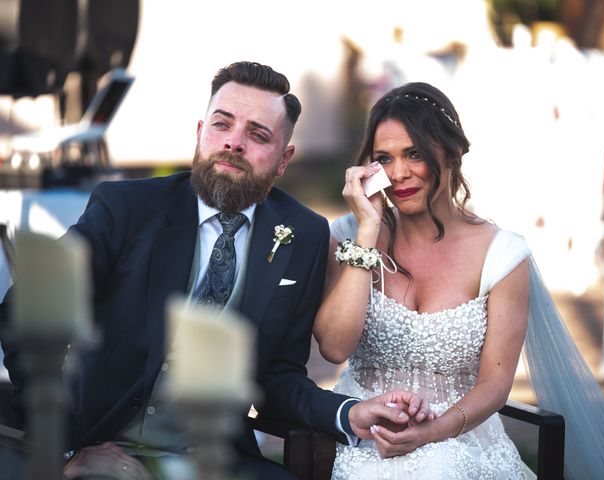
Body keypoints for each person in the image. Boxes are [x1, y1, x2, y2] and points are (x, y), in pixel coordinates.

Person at [0, 62, 429, 480]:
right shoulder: (127, 209)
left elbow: (279, 378)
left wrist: (347, 412)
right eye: (222, 125)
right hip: (106, 448)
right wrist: (67, 452)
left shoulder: (304, 233)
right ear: (201, 133)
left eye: (258, 134)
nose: (234, 142)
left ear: (284, 159)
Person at [313, 81, 604, 479]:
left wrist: (432, 432)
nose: (398, 174)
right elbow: (333, 347)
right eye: (384, 158)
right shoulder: (347, 235)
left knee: (442, 469)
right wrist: (367, 232)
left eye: (414, 154)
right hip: (362, 429)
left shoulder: (502, 255)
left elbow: (494, 384)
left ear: (452, 153)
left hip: (459, 435)